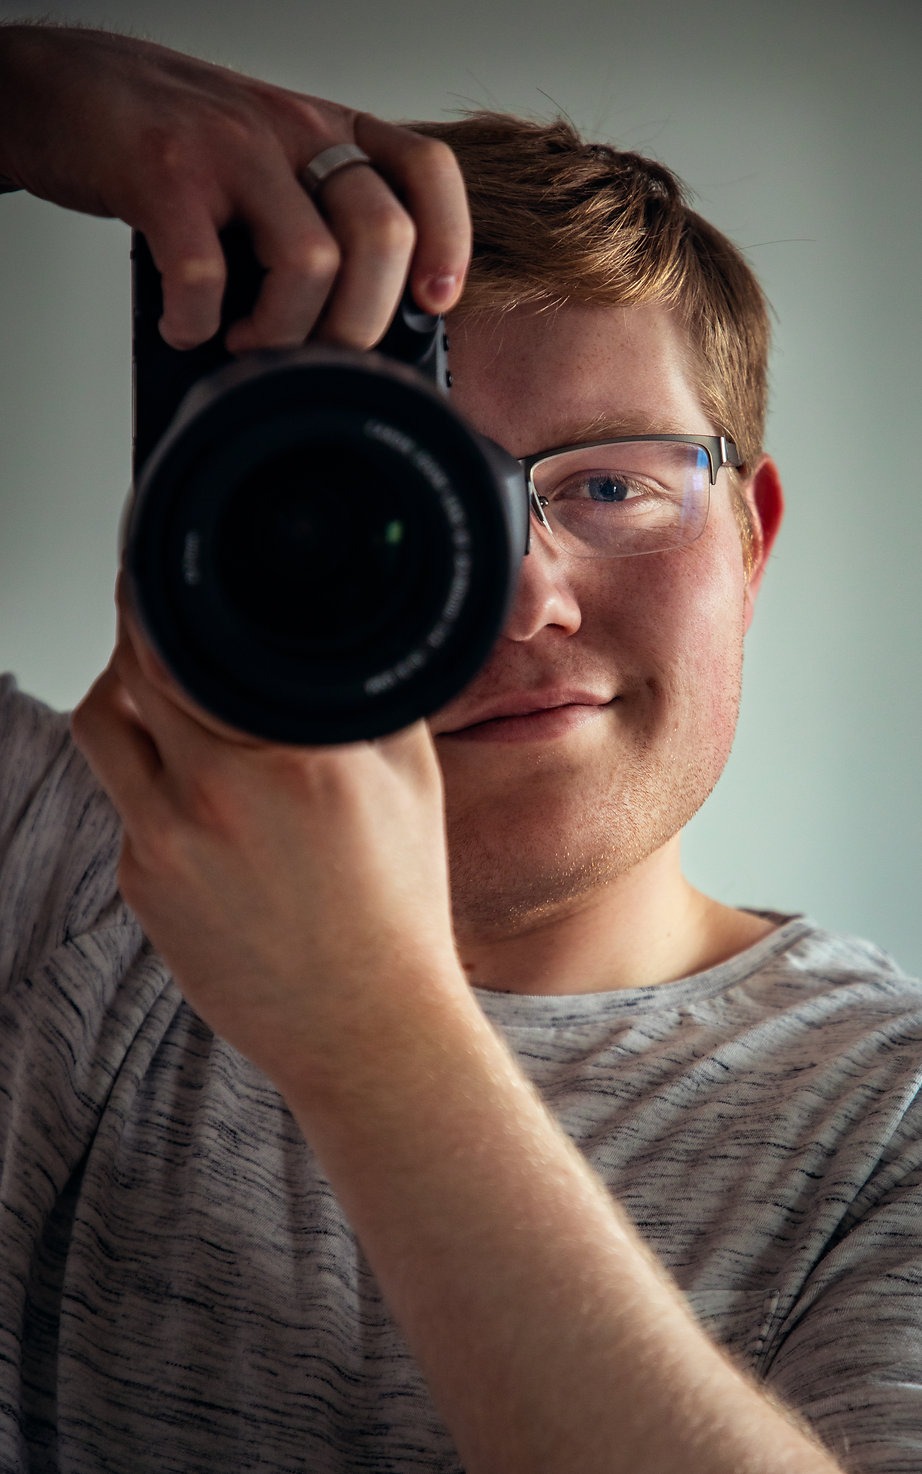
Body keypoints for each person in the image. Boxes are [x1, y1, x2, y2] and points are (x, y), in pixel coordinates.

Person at [0, 21, 919, 1474]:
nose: (522, 595)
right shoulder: (55, 875)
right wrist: (24, 95)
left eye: (611, 482)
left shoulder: (894, 1111)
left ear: (749, 541)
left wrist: (370, 1023)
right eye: (408, 507)